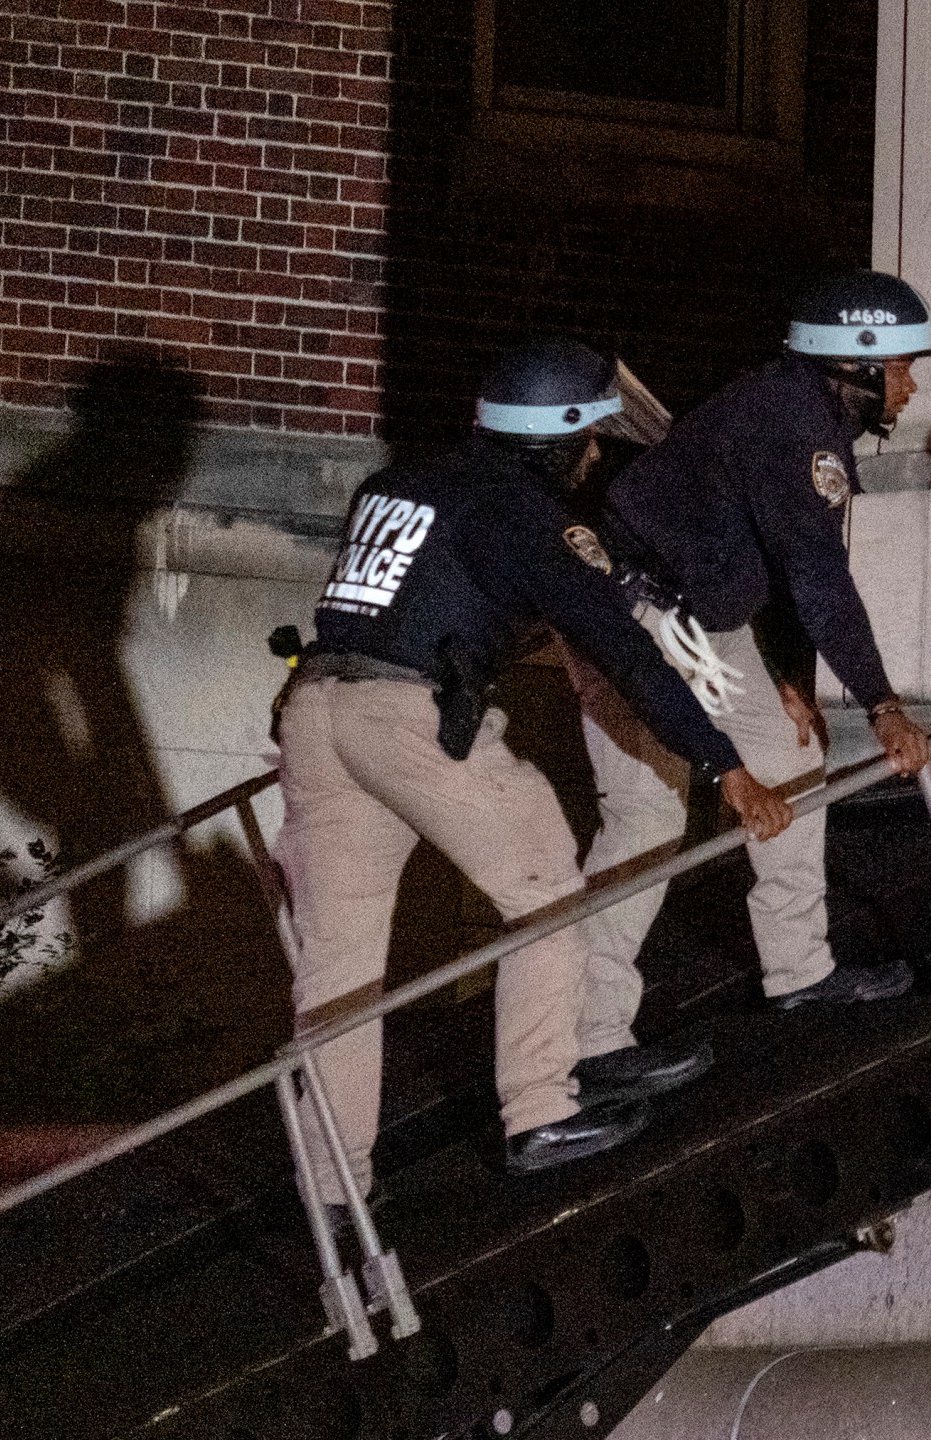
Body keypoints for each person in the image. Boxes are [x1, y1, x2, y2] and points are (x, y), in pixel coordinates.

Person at [273, 338, 795, 1193]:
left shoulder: (397, 483)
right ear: (554, 439)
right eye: (587, 440)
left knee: (339, 970)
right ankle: (542, 1108)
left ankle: (334, 1190)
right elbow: (623, 650)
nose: (594, 458)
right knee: (547, 887)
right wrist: (723, 765)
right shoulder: (520, 511)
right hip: (407, 717)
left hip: (315, 710)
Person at [573, 271, 931, 1031]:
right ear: (855, 363)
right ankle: (589, 1034)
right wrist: (884, 706)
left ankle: (799, 972)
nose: (908, 389)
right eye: (900, 368)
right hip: (639, 608)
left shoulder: (793, 407)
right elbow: (819, 582)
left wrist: (774, 676)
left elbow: (763, 561)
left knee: (790, 758)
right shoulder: (797, 427)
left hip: (688, 611)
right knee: (645, 818)